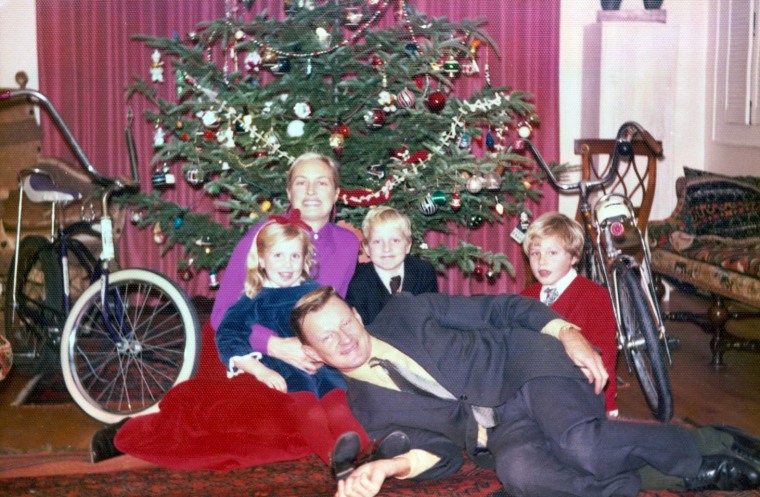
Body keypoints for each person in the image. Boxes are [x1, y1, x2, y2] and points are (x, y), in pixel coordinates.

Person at [289, 286, 760, 497]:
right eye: (327, 338)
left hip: (527, 365)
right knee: (522, 474)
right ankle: (686, 473)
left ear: (354, 310)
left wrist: (565, 330)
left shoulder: (407, 312)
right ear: (312, 352)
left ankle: (707, 447)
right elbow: (439, 452)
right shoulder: (363, 404)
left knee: (581, 443)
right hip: (498, 430)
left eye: (345, 323)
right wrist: (388, 466)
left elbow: (503, 308)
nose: (345, 338)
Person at [210, 151, 359, 376]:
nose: (311, 191)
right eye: (301, 182)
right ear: (289, 192)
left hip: (321, 355)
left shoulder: (348, 243)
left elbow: (334, 310)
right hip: (262, 355)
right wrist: (274, 345)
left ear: (336, 193)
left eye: (322, 182)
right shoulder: (263, 235)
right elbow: (221, 313)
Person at [520, 212, 619, 415]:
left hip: (578, 397)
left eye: (552, 253)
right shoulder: (526, 296)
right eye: (535, 253)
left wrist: (607, 407)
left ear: (573, 257)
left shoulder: (595, 296)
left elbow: (606, 356)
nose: (541, 261)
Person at [346, 206, 438, 324]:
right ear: (367, 248)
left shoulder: (424, 272)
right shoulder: (358, 283)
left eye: (395, 240)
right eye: (377, 242)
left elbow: (431, 318)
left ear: (408, 246)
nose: (387, 249)